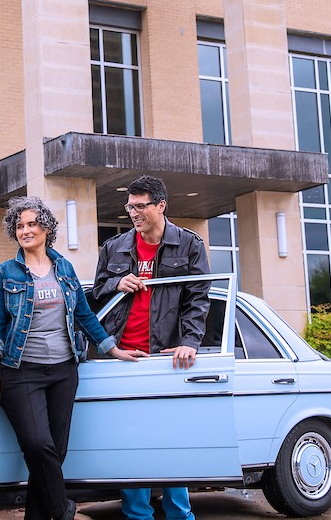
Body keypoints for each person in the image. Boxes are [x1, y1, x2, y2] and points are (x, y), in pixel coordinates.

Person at [0, 196, 144, 520]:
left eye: (31, 224)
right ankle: (63, 510)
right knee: (37, 444)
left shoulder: (65, 269)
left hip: (64, 371)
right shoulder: (5, 273)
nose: (25, 231)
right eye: (19, 226)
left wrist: (112, 348)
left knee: (55, 452)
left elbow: (84, 316)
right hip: (21, 371)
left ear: (46, 228)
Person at [92, 175, 210, 520]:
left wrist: (189, 342)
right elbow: (97, 291)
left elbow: (198, 298)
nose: (133, 213)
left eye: (140, 206)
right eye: (130, 206)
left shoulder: (189, 244)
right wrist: (117, 282)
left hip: (166, 359)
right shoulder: (113, 247)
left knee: (170, 440)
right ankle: (137, 516)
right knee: (131, 443)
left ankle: (180, 516)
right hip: (123, 358)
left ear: (161, 205)